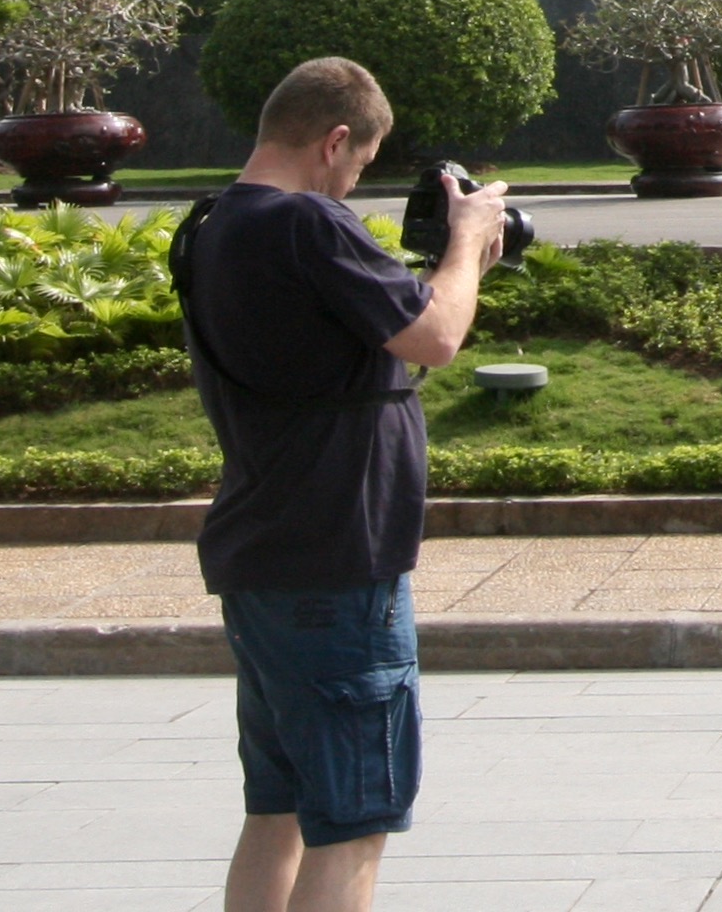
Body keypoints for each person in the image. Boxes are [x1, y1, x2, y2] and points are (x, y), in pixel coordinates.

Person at [172, 57, 512, 912]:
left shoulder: (214, 225)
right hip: (337, 566)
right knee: (354, 825)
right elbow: (436, 336)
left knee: (278, 811)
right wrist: (467, 241)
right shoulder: (306, 224)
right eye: (360, 162)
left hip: (265, 557)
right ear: (333, 142)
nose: (356, 183)